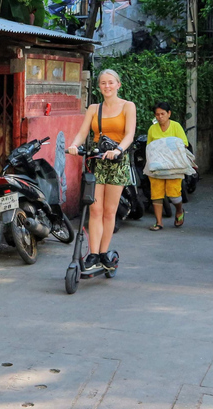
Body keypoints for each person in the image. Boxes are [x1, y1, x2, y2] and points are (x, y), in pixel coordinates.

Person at [67, 69, 136, 271]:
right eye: (103, 83)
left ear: (118, 85)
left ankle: (104, 252)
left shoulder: (128, 106)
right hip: (97, 161)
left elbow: (130, 134)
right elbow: (82, 133)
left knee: (109, 211)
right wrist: (73, 145)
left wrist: (118, 150)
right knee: (94, 210)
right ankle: (93, 254)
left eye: (111, 83)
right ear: (99, 87)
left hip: (117, 161)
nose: (107, 86)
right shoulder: (93, 109)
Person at [146, 102, 188, 230]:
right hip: (156, 166)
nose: (160, 117)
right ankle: (159, 223)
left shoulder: (176, 126)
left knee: (174, 195)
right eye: (157, 115)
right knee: (156, 194)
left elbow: (184, 144)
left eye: (162, 114)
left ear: (169, 114)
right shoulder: (152, 129)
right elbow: (149, 147)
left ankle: (179, 210)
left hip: (173, 166)